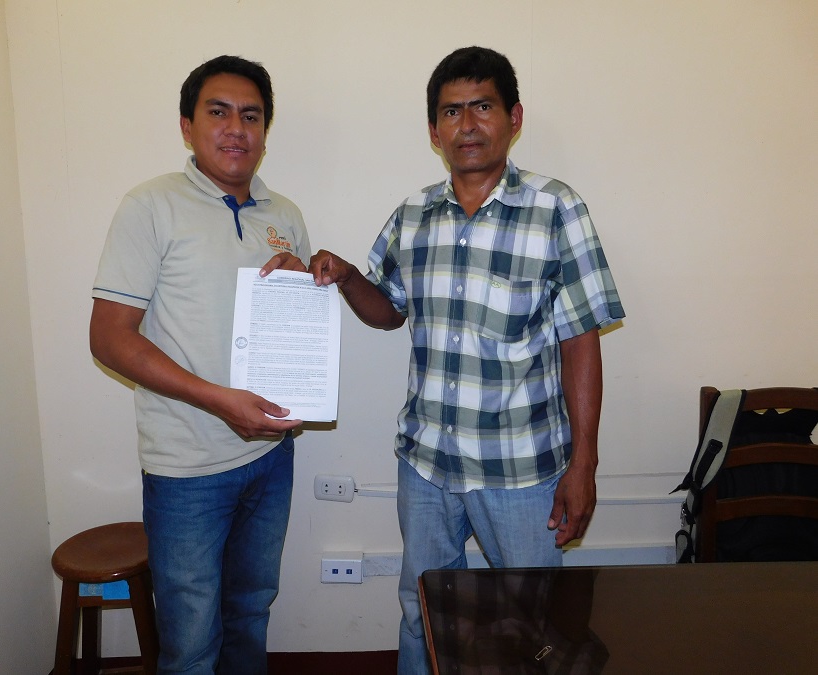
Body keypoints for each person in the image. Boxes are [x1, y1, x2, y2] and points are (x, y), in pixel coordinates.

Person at [300, 46, 625, 674]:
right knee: (421, 613)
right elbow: (388, 311)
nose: (467, 124)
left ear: (514, 117)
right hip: (426, 464)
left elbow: (581, 340)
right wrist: (345, 277)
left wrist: (584, 464)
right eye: (452, 111)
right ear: (434, 130)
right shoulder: (413, 215)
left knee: (533, 626)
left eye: (483, 107)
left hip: (522, 471)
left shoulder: (557, 209)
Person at [90, 55, 311, 674]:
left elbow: (294, 332)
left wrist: (305, 286)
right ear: (187, 126)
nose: (237, 128)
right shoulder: (149, 205)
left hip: (271, 456)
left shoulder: (285, 215)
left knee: (251, 610)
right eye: (219, 112)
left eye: (252, 115)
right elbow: (109, 338)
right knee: (190, 642)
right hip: (186, 468)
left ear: (265, 129)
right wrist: (218, 400)